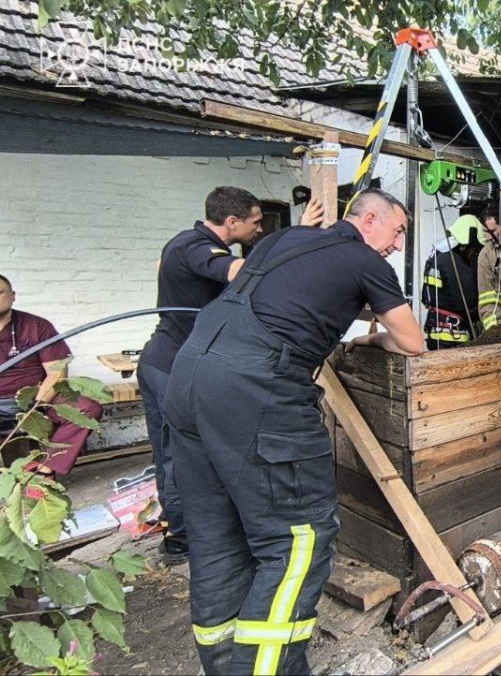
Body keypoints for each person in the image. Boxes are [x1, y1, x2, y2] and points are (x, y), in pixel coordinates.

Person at [162, 188, 424, 676]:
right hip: (256, 391)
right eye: (399, 230)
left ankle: (222, 664)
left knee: (217, 536)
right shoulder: (365, 262)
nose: (398, 243)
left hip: (190, 376)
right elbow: (413, 341)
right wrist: (370, 335)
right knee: (297, 540)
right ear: (369, 220)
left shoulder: (284, 241)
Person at [140, 187, 323, 566]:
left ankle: (196, 531)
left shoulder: (205, 244)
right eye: (256, 223)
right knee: (177, 453)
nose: (259, 229)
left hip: (186, 363)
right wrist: (297, 239)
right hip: (171, 365)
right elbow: (242, 273)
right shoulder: (192, 246)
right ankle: (181, 538)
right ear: (232, 222)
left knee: (190, 451)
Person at [0, 274, 102, 477]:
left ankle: (45, 469)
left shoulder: (37, 326)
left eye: (0, 292)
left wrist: (35, 407)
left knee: (87, 409)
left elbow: (57, 371)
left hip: (37, 398)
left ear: (13, 296)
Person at [422, 214, 484, 348]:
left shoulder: (437, 256)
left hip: (434, 327)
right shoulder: (455, 263)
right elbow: (468, 301)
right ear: (468, 243)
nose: (474, 252)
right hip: (452, 333)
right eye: (475, 248)